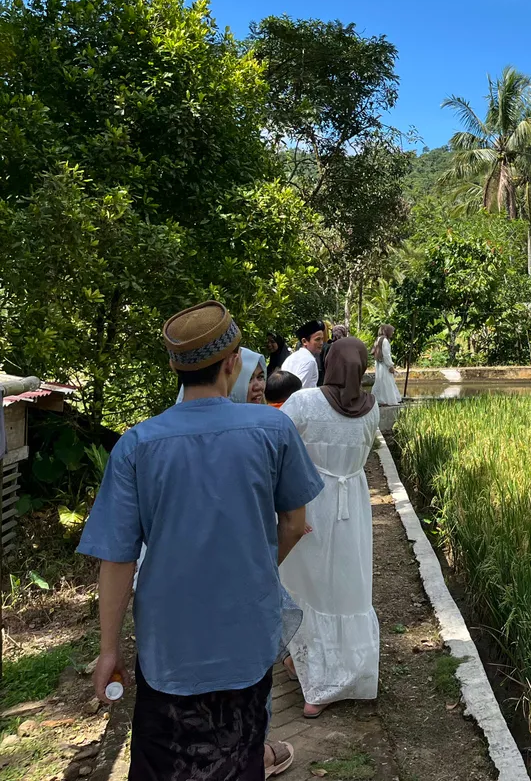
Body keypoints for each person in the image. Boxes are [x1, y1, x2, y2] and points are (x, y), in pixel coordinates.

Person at [78, 301, 324, 781]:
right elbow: (295, 524)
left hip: (168, 645)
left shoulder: (137, 444)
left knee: (165, 762)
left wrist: (110, 650)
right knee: (239, 756)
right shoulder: (273, 430)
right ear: (233, 362)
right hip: (245, 633)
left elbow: (117, 558)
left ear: (175, 368)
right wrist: (256, 565)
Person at [279, 338, 381, 718]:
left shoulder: (304, 402)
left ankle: (315, 684)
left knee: (311, 585)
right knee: (346, 586)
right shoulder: (372, 411)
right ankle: (331, 672)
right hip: (352, 504)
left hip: (310, 503)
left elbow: (277, 443)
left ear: (328, 363)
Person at [284, 321, 325, 389]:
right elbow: (299, 389)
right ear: (304, 341)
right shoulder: (310, 361)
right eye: (317, 339)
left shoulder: (290, 358)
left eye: (322, 339)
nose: (321, 343)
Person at [371, 325, 401, 407]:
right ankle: (389, 400)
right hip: (384, 364)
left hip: (379, 364)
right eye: (391, 332)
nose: (392, 334)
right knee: (387, 382)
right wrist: (390, 366)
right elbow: (386, 355)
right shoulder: (385, 341)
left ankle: (379, 399)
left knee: (380, 381)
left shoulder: (378, 339)